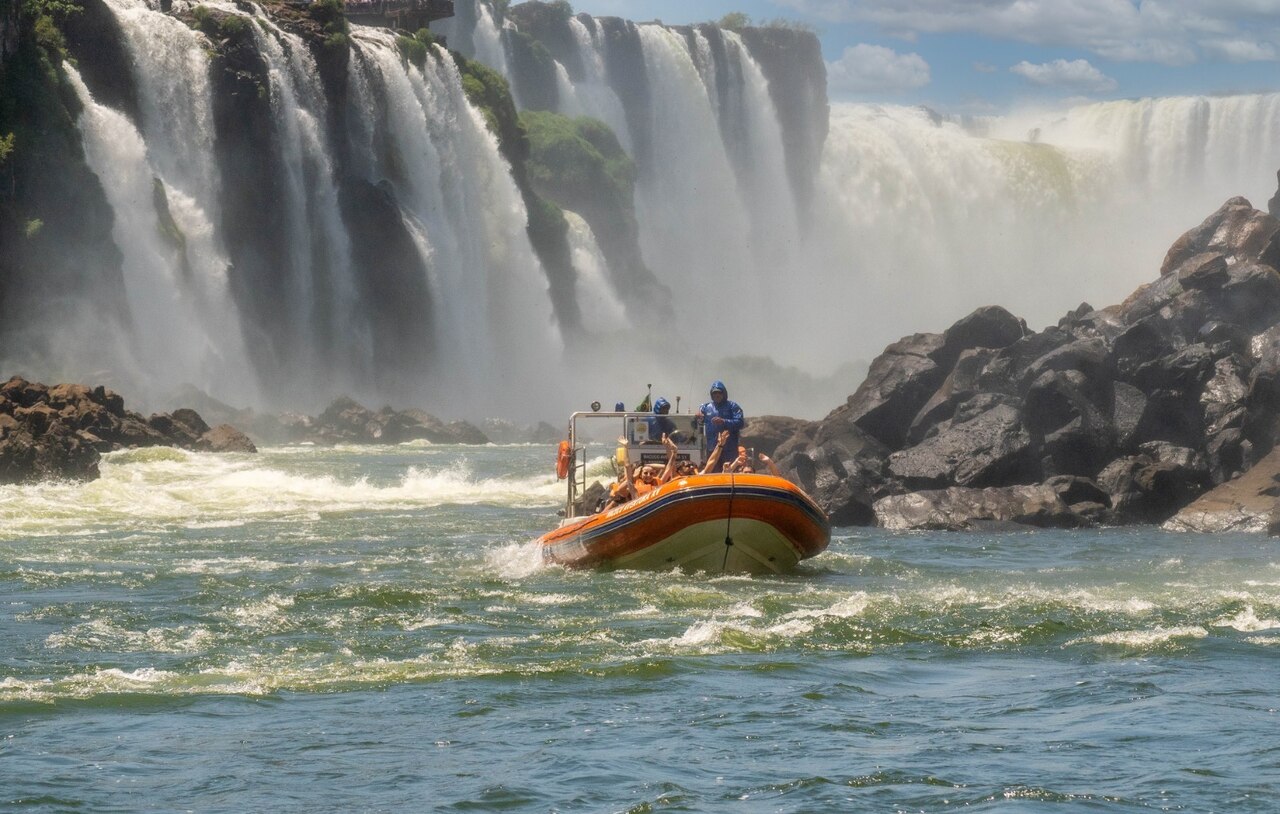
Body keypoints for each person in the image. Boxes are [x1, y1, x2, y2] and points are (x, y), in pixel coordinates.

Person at [698, 380, 744, 465]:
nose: (717, 395)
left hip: (729, 449)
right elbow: (696, 426)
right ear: (711, 395)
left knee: (729, 473)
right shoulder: (706, 407)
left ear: (724, 394)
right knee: (713, 474)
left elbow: (740, 423)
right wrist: (697, 419)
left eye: (719, 393)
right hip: (712, 449)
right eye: (714, 393)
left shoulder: (733, 406)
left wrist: (724, 421)